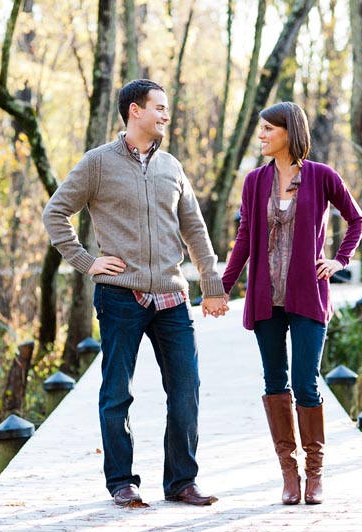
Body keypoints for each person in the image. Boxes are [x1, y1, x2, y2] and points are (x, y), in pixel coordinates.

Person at [42, 79, 227, 507]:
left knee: (186, 389)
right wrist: (87, 262)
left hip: (171, 297)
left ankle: (182, 481)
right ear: (134, 111)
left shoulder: (172, 168)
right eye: (158, 107)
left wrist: (211, 283)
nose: (166, 114)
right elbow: (56, 214)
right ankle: (122, 482)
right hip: (120, 296)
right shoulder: (98, 163)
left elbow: (194, 229)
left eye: (166, 108)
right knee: (116, 392)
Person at [222, 102, 362, 505]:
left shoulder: (321, 177)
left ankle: (315, 474)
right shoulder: (254, 181)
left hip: (308, 295)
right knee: (274, 382)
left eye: (269, 128)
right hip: (267, 299)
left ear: (290, 131)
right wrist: (223, 287)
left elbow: (357, 219)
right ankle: (289, 475)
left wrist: (339, 259)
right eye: (261, 128)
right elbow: (245, 237)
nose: (262, 135)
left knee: (306, 382)